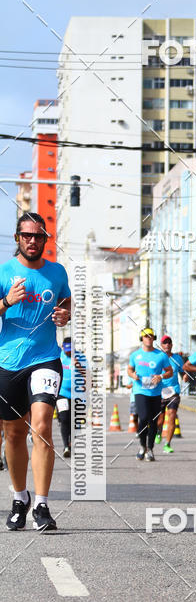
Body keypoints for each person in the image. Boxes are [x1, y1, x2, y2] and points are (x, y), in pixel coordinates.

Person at [0, 212, 71, 531]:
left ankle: (42, 504)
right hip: (8, 361)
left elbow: (66, 300)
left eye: (39, 236)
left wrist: (64, 313)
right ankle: (20, 498)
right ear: (17, 238)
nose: (33, 241)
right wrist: (5, 302)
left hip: (45, 358)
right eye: (27, 235)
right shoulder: (4, 272)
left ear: (45, 239)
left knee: (41, 425)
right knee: (13, 433)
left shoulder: (56, 272)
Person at [127, 328, 172, 462]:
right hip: (140, 391)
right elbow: (129, 368)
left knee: (153, 421)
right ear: (142, 339)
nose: (148, 338)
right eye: (146, 336)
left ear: (154, 338)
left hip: (155, 392)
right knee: (144, 417)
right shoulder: (135, 355)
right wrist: (132, 375)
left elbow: (170, 371)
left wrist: (161, 376)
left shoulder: (161, 355)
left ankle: (150, 449)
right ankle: (142, 446)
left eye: (151, 336)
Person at [56, 337, 86, 458]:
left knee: (75, 422)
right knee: (64, 419)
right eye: (66, 350)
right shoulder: (59, 356)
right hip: (62, 393)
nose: (68, 352)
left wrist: (78, 366)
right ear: (63, 347)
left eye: (71, 350)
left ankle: (72, 441)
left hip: (77, 394)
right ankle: (66, 446)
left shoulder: (81, 357)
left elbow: (89, 377)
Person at [156, 335, 184, 454]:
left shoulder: (177, 358)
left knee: (172, 414)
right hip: (159, 392)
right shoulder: (157, 357)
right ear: (161, 345)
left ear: (172, 345)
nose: (167, 345)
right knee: (159, 419)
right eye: (164, 343)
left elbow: (183, 372)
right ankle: (158, 432)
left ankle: (167, 444)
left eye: (169, 343)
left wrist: (186, 377)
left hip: (173, 391)